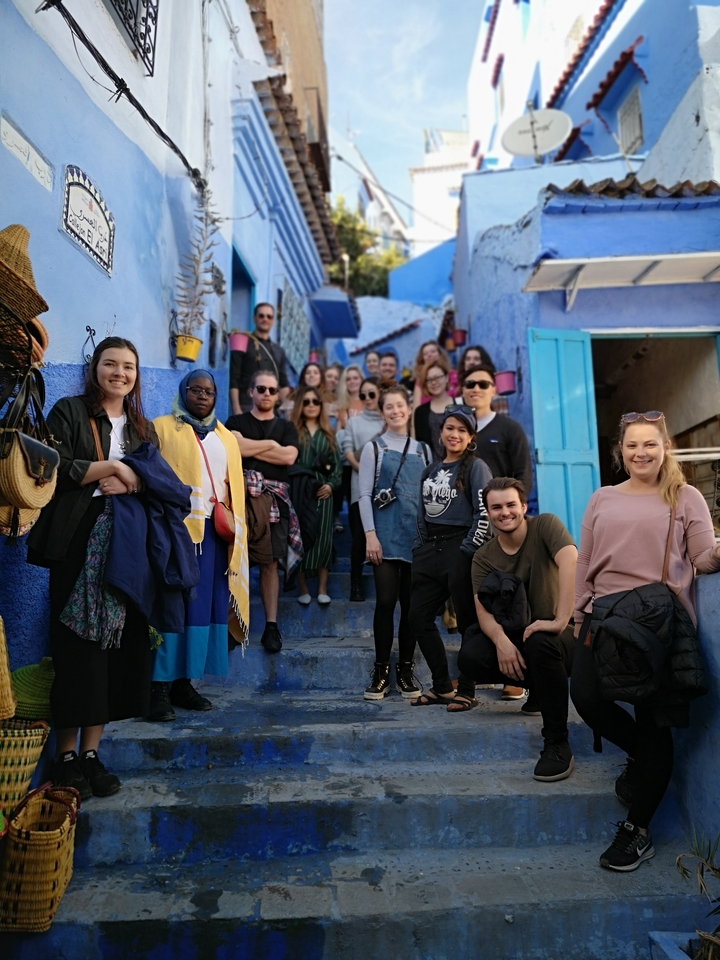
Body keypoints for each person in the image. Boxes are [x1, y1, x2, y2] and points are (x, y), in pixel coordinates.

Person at [571, 411, 720, 871]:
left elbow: (704, 558)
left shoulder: (685, 496)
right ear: (621, 450)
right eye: (633, 445)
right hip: (605, 620)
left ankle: (637, 830)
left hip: (658, 627)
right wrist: (579, 613)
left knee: (655, 723)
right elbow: (586, 560)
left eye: (650, 445)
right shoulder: (602, 497)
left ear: (665, 448)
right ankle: (644, 760)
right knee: (588, 699)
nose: (641, 453)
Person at [26, 337, 154, 799]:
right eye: (111, 364)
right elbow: (53, 466)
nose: (120, 373)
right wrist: (112, 470)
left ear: (136, 375)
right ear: (95, 367)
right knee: (74, 646)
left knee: (110, 646)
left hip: (123, 546)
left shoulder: (142, 426)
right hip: (78, 540)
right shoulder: (69, 411)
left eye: (128, 367)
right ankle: (64, 757)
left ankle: (91, 755)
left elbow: (155, 480)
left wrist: (135, 480)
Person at [456, 478, 577, 782]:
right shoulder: (483, 556)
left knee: (540, 643)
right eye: (496, 507)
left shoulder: (545, 526)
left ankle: (557, 743)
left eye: (511, 504)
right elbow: (482, 610)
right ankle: (535, 688)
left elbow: (571, 562)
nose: (505, 512)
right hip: (518, 634)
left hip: (561, 634)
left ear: (523, 506)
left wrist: (561, 619)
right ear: (488, 512)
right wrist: (500, 642)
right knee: (471, 655)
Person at [149, 370, 249, 721]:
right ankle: (158, 686)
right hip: (174, 532)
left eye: (209, 391)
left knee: (203, 608)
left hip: (214, 536)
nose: (203, 396)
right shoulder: (161, 427)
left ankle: (184, 682)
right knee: (171, 605)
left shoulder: (226, 437)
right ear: (184, 391)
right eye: (195, 389)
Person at [409, 406, 492, 705]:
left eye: (461, 430)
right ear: (440, 433)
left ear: (470, 437)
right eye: (449, 428)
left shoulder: (476, 467)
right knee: (418, 618)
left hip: (461, 548)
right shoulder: (429, 470)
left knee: (468, 624)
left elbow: (485, 513)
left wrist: (468, 550)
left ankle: (468, 690)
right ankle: (442, 685)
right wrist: (420, 547)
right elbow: (420, 515)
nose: (454, 434)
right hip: (430, 550)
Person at [461, 363, 534, 701]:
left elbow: (523, 474)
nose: (475, 388)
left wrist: (512, 517)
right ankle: (473, 674)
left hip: (502, 525)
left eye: (483, 383)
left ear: (494, 389)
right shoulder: (458, 430)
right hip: (468, 529)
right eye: (469, 383)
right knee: (473, 600)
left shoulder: (508, 428)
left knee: (510, 597)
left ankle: (514, 674)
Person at [358, 384, 431, 699]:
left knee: (412, 607)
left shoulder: (424, 450)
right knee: (386, 603)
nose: (396, 411)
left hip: (416, 538)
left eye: (401, 405)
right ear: (382, 411)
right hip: (384, 536)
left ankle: (405, 669)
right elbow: (364, 495)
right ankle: (380, 670)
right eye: (390, 407)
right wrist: (370, 535)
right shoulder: (373, 448)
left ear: (409, 407)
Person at [226, 370, 300, 654]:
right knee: (237, 561)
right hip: (241, 500)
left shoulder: (286, 427)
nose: (267, 394)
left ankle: (271, 626)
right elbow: (233, 449)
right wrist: (270, 447)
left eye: (272, 390)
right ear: (251, 392)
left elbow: (289, 456)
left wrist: (247, 448)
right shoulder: (235, 421)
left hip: (276, 503)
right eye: (261, 389)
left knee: (270, 565)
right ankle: (235, 625)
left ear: (278, 394)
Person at [290, 386, 342, 605]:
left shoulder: (329, 435)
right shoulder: (292, 432)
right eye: (307, 401)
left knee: (323, 538)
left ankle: (322, 588)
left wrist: (330, 485)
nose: (311, 405)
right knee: (301, 537)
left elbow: (338, 469)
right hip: (300, 491)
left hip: (323, 493)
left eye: (316, 402)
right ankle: (302, 588)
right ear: (300, 404)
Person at [342, 376, 384, 602]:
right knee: (360, 535)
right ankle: (355, 583)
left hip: (385, 486)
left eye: (372, 394)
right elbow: (348, 451)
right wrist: (365, 471)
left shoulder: (387, 420)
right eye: (363, 395)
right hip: (359, 484)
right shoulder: (354, 422)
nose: (367, 399)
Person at [229, 303, 290, 415]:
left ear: (273, 320)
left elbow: (283, 382)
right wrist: (236, 409)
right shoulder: (243, 342)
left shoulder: (278, 350)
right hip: (247, 407)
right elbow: (234, 378)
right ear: (254, 318)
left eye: (269, 316)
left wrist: (287, 410)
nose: (265, 319)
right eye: (261, 316)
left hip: (271, 411)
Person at [411, 357, 454, 461]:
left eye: (437, 377)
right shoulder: (420, 413)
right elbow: (419, 447)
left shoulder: (462, 405)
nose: (433, 382)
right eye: (429, 380)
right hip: (432, 471)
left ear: (447, 377)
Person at [411, 340, 450, 409]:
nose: (429, 355)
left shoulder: (454, 375)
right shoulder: (420, 381)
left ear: (440, 354)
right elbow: (416, 409)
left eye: (433, 351)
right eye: (425, 354)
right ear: (422, 359)